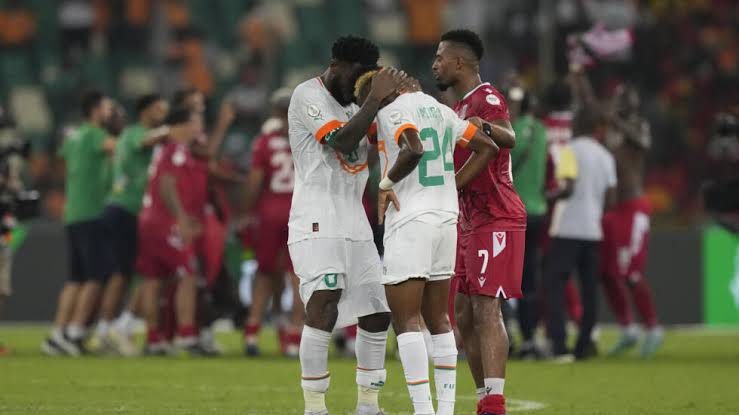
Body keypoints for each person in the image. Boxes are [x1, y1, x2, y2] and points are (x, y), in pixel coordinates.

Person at [355, 70, 498, 415]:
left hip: (411, 221)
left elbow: (414, 148)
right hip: (446, 219)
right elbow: (488, 147)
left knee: (406, 320)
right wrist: (451, 184)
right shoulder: (441, 109)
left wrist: (386, 184)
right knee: (440, 320)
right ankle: (444, 411)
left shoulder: (393, 111)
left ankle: (423, 411)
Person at [287, 35, 405, 415]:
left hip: (355, 218)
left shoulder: (358, 101)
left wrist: (396, 99)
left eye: (365, 79)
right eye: (355, 76)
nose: (358, 85)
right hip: (316, 216)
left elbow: (383, 142)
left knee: (377, 310)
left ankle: (368, 406)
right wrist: (373, 100)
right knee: (325, 301)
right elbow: (341, 141)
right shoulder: (308, 95)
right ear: (336, 65)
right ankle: (314, 407)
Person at [432, 29, 526, 415]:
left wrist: (481, 127)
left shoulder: (486, 98)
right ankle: (484, 397)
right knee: (465, 314)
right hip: (469, 219)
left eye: (440, 58)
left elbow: (509, 136)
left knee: (487, 308)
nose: (434, 65)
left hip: (496, 215)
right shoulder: (457, 108)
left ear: (459, 62)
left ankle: (495, 404)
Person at [571, 69, 662, 357]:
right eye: (619, 97)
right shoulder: (609, 129)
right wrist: (580, 79)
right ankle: (628, 328)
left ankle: (652, 328)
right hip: (611, 210)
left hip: (634, 208)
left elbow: (644, 143)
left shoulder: (637, 126)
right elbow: (590, 106)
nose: (622, 101)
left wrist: (615, 120)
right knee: (607, 273)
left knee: (631, 273)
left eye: (626, 98)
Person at [92, 93, 169, 355]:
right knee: (125, 273)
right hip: (127, 208)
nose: (162, 115)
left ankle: (108, 329)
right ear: (145, 112)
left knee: (125, 273)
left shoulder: (126, 134)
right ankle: (111, 330)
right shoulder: (137, 133)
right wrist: (172, 129)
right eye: (158, 109)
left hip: (120, 208)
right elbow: (146, 141)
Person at [42, 91, 116, 356]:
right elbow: (120, 149)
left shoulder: (74, 135)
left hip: (73, 211)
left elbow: (63, 159)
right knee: (95, 277)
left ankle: (57, 333)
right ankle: (73, 332)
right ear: (95, 110)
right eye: (108, 108)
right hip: (91, 213)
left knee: (76, 278)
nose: (111, 113)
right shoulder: (96, 135)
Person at [545, 109, 617, 360]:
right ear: (597, 129)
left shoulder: (569, 151)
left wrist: (548, 197)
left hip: (567, 228)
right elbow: (611, 200)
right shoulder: (605, 156)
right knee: (589, 289)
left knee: (554, 283)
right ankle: (584, 345)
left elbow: (568, 188)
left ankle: (559, 344)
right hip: (592, 231)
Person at [136, 106, 209, 355]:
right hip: (165, 222)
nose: (199, 128)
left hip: (149, 218)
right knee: (188, 274)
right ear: (182, 125)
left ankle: (153, 338)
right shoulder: (176, 149)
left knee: (153, 279)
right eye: (196, 122)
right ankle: (187, 336)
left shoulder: (164, 148)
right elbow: (167, 184)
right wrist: (181, 219)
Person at [243, 88, 303, 358]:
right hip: (298, 211)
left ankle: (252, 332)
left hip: (269, 212)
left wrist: (246, 211)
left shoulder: (265, 141)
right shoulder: (306, 138)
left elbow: (255, 181)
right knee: (298, 276)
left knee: (265, 273)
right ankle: (293, 336)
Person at [508, 87, 550, 359]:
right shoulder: (543, 130)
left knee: (507, 279)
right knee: (531, 280)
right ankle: (531, 336)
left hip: (516, 212)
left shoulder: (513, 130)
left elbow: (505, 163)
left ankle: (513, 336)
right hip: (539, 211)